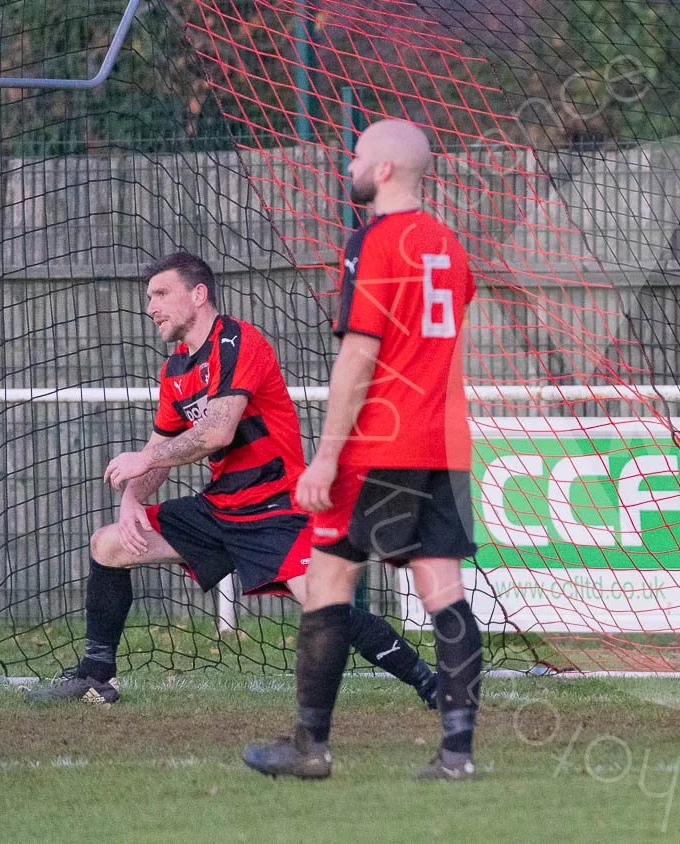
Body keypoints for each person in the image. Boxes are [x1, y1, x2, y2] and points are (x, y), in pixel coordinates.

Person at [26, 252, 439, 709]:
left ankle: (432, 684)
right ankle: (96, 676)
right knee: (108, 544)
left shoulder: (239, 342)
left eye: (161, 294)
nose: (150, 307)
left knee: (326, 609)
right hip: (220, 508)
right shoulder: (175, 370)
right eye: (149, 297)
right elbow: (156, 457)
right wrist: (131, 503)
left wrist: (143, 462)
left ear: (198, 295)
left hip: (276, 508)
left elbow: (216, 431)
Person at [243, 119, 481, 780]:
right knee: (443, 590)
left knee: (329, 579)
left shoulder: (374, 241)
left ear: (382, 171)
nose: (347, 163)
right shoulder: (450, 245)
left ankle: (309, 745)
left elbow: (361, 352)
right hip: (445, 441)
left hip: (381, 441)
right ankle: (456, 755)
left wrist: (325, 456)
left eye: (355, 154)